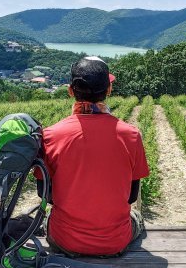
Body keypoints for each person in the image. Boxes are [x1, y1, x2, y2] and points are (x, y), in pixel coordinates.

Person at [35, 56, 150, 257]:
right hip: (115, 242)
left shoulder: (50, 135)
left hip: (64, 240)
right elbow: (131, 196)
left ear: (70, 91)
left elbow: (45, 195)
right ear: (109, 90)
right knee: (137, 217)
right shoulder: (131, 135)